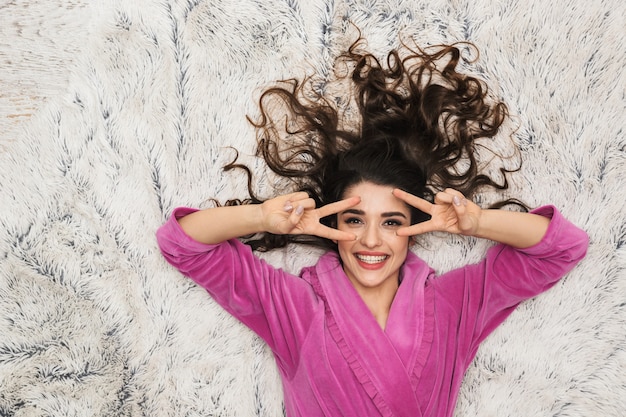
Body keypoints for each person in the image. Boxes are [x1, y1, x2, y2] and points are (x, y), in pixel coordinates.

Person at [156, 36, 588, 417]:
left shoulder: (454, 305)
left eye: (392, 222)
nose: (370, 239)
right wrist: (263, 217)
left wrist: (476, 222)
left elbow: (562, 248)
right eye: (354, 219)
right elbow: (182, 243)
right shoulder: (295, 308)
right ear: (334, 221)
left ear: (415, 228)